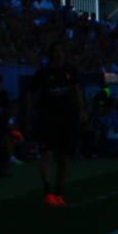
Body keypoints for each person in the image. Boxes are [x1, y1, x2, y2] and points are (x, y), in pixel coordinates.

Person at [26, 49, 84, 206]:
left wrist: (81, 110)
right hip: (47, 119)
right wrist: (32, 112)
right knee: (47, 153)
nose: (59, 55)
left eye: (61, 52)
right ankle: (47, 190)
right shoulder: (43, 73)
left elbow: (77, 91)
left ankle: (58, 191)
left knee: (64, 157)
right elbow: (31, 93)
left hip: (66, 120)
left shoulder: (70, 71)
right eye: (56, 52)